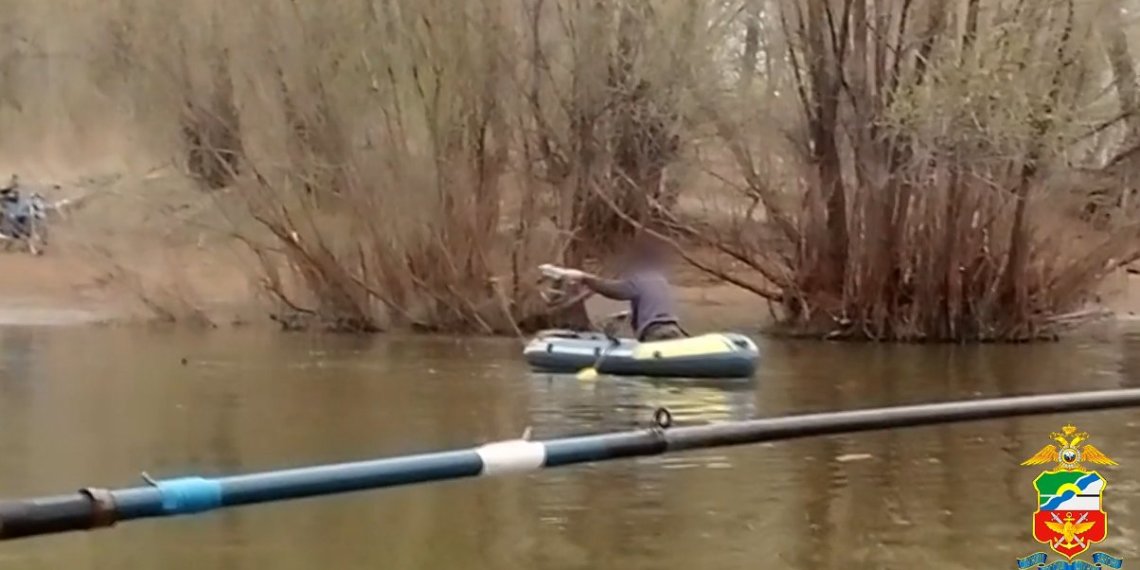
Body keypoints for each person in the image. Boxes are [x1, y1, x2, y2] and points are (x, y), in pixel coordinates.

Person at [570, 235, 688, 342]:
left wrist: (586, 279)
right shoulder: (660, 279)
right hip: (673, 329)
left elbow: (614, 291)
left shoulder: (640, 278)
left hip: (654, 332)